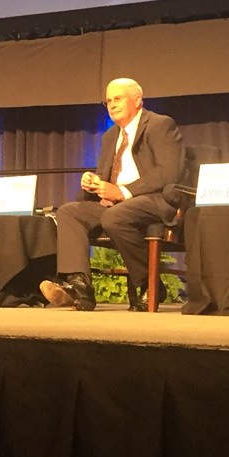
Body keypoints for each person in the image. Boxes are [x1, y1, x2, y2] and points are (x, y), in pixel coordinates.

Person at [39, 78, 185, 311]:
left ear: (137, 100)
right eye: (108, 101)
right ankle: (80, 287)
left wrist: (123, 191)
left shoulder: (160, 125)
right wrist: (92, 183)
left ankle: (150, 283)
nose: (112, 105)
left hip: (153, 200)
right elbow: (105, 176)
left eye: (118, 99)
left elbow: (169, 172)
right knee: (69, 212)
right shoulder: (110, 136)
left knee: (114, 216)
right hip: (115, 204)